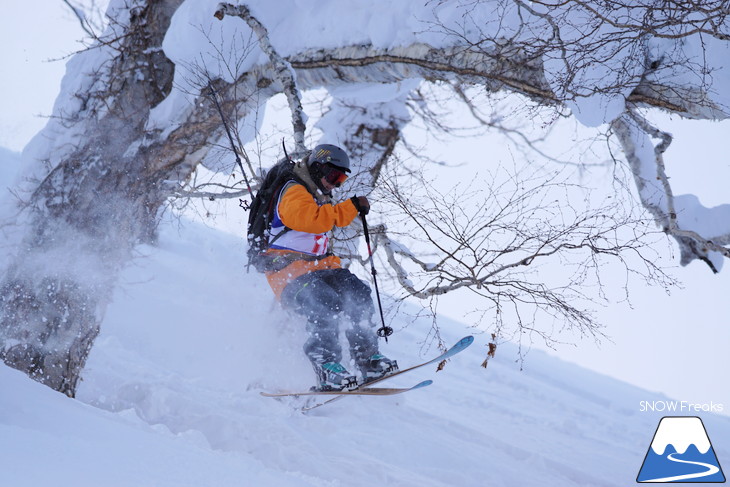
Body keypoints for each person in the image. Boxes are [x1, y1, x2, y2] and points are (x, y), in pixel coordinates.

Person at [263, 144, 398, 391]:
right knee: (323, 302)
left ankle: (368, 359)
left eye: (342, 179)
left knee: (358, 293)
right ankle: (327, 366)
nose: (336, 185)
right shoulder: (294, 191)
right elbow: (313, 221)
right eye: (334, 177)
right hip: (289, 273)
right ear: (318, 168)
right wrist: (351, 206)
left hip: (322, 268)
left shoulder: (315, 194)